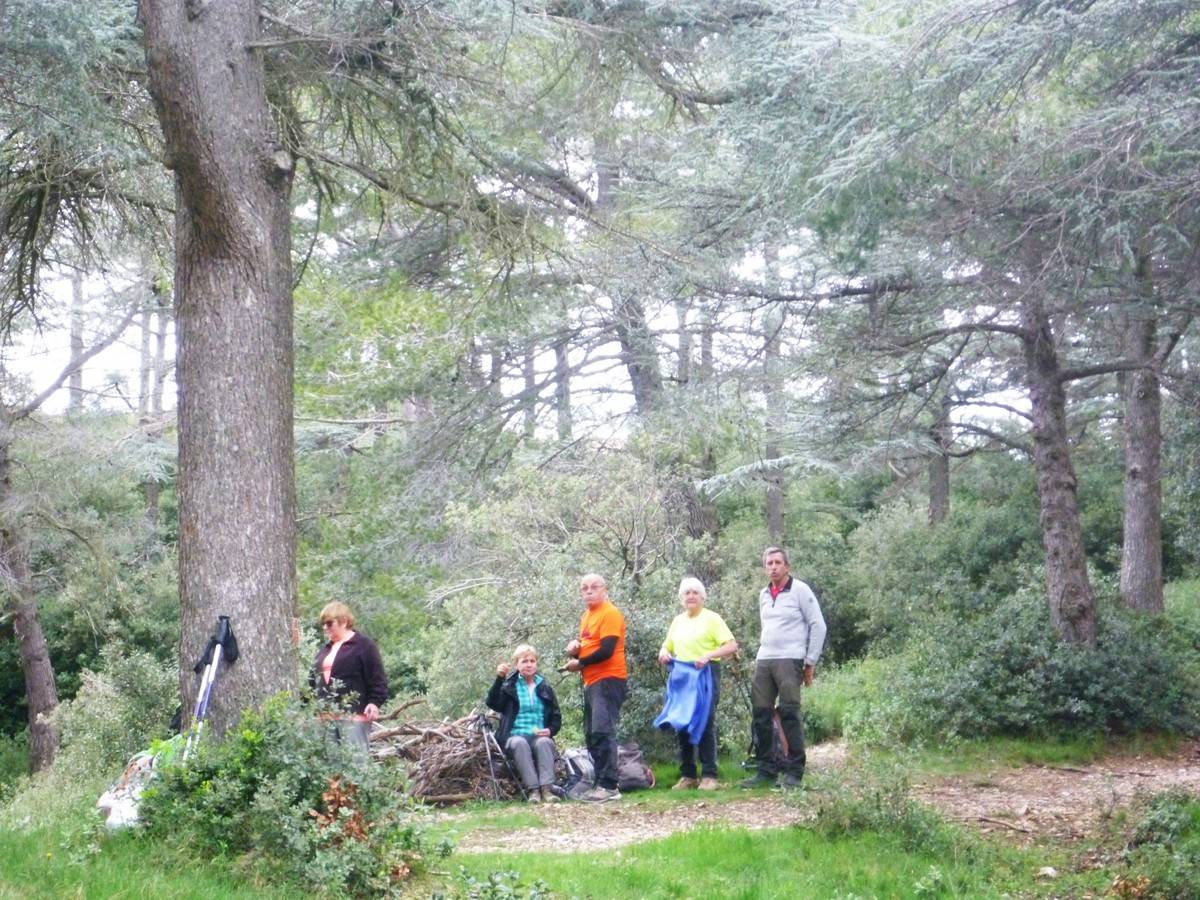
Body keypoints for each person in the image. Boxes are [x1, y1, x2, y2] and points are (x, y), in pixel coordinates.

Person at [741, 547, 826, 790]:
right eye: (769, 563)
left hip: (790, 659)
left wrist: (810, 661)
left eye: (778, 562)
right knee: (761, 715)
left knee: (789, 713)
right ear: (764, 568)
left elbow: (818, 625)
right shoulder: (764, 594)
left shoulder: (800, 590)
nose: (773, 567)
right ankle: (766, 770)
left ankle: (794, 772)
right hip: (765, 658)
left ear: (787, 566)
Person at [657, 577, 738, 790]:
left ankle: (710, 775)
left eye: (695, 592)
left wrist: (708, 655)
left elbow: (731, 646)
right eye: (687, 593)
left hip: (706, 674)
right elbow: (667, 646)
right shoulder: (678, 621)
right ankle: (688, 775)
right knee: (682, 722)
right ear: (681, 598)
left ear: (702, 597)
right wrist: (664, 653)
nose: (691, 596)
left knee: (705, 722)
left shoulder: (712, 619)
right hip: (683, 676)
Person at [564, 573, 627, 802]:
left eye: (594, 587)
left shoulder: (610, 613)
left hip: (609, 679)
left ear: (604, 589)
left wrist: (579, 663)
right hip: (592, 681)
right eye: (584, 588)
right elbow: (591, 647)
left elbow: (607, 650)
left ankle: (610, 786)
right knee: (592, 734)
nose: (589, 591)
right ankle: (600, 784)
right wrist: (576, 649)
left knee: (602, 730)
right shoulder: (586, 616)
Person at [486, 644, 563, 803]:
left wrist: (549, 730)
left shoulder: (544, 687)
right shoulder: (509, 685)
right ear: (517, 664)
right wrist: (499, 678)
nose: (529, 664)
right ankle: (533, 791)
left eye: (532, 661)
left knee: (544, 743)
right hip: (514, 735)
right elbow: (492, 702)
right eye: (524, 661)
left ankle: (547, 790)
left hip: (538, 735)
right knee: (520, 743)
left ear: (536, 663)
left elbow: (556, 717)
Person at [311, 601, 388, 750]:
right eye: (323, 624)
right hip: (325, 719)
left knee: (357, 766)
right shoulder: (324, 651)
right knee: (330, 770)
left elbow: (377, 678)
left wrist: (374, 702)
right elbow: (312, 683)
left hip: (354, 717)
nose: (325, 628)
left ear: (344, 621)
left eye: (329, 623)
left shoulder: (364, 646)